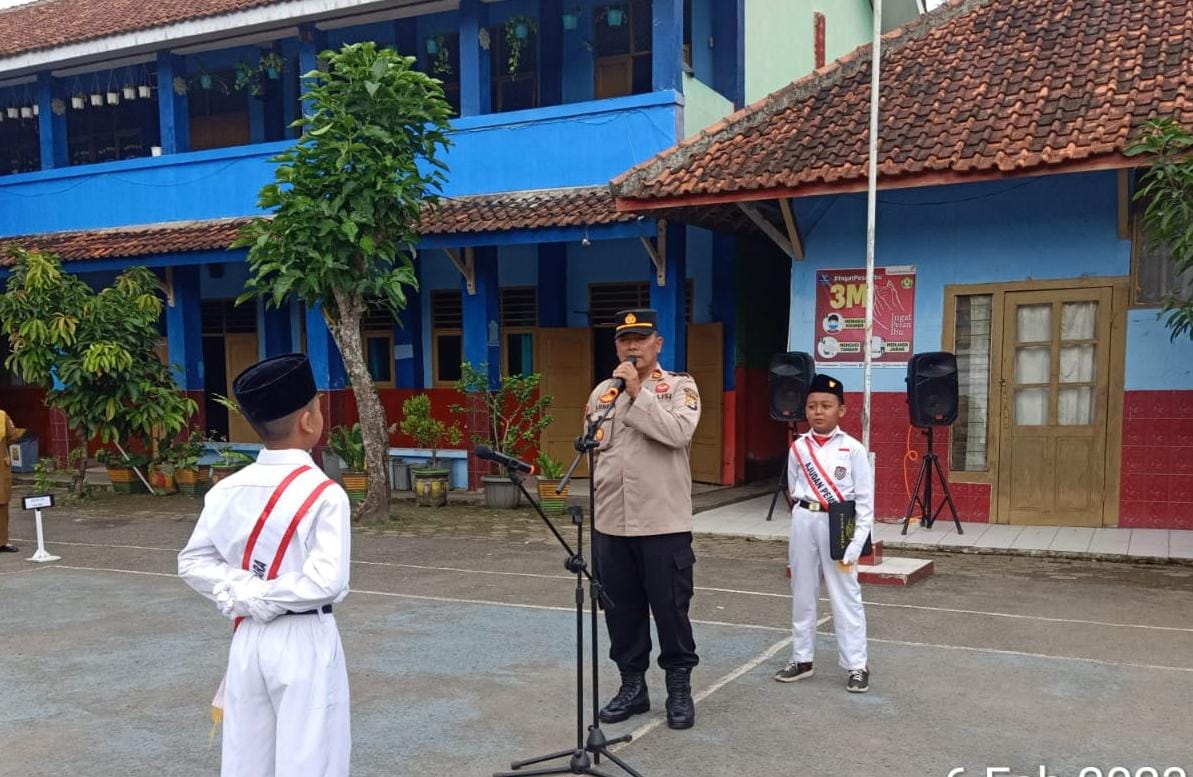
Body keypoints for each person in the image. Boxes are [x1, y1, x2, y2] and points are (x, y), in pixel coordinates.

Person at [178, 353, 352, 777]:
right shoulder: (325, 494)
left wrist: (242, 591)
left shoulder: (226, 490)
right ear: (309, 421)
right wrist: (261, 594)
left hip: (249, 636)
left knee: (246, 758)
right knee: (312, 759)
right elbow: (326, 582)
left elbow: (193, 562)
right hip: (303, 636)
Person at [585, 308, 702, 730]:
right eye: (623, 340)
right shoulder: (602, 394)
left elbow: (677, 434)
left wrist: (638, 393)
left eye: (641, 338)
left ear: (659, 343)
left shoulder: (679, 388)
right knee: (620, 611)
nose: (631, 346)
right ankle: (632, 686)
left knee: (671, 611)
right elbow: (595, 454)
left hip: (662, 525)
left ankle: (678, 690)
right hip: (611, 524)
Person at [774, 372, 873, 693]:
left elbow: (865, 501)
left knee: (846, 595)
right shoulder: (798, 448)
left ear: (841, 410)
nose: (818, 411)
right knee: (802, 593)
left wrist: (857, 542)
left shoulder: (853, 449)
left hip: (838, 525)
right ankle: (802, 659)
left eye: (827, 405)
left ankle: (857, 664)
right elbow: (793, 488)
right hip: (805, 520)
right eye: (813, 405)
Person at [0, 409, 26, 552]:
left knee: (2, 504)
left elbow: (13, 435)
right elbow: (13, 436)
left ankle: (2, 541)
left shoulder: (2, 415)